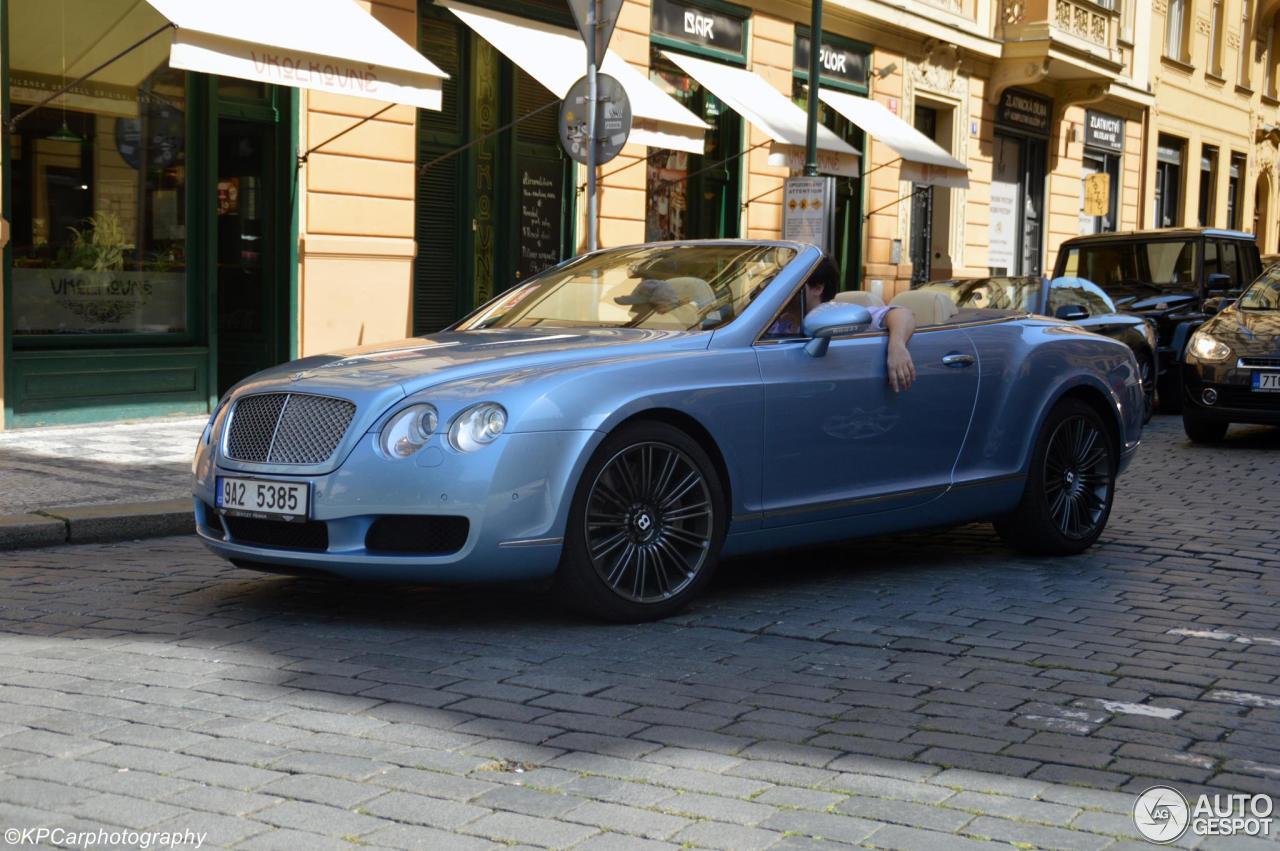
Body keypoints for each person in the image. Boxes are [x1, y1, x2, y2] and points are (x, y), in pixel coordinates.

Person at [770, 274, 917, 393]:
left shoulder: (849, 318)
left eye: (791, 284)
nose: (781, 291)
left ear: (818, 287)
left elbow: (902, 314)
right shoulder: (778, 321)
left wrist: (897, 346)